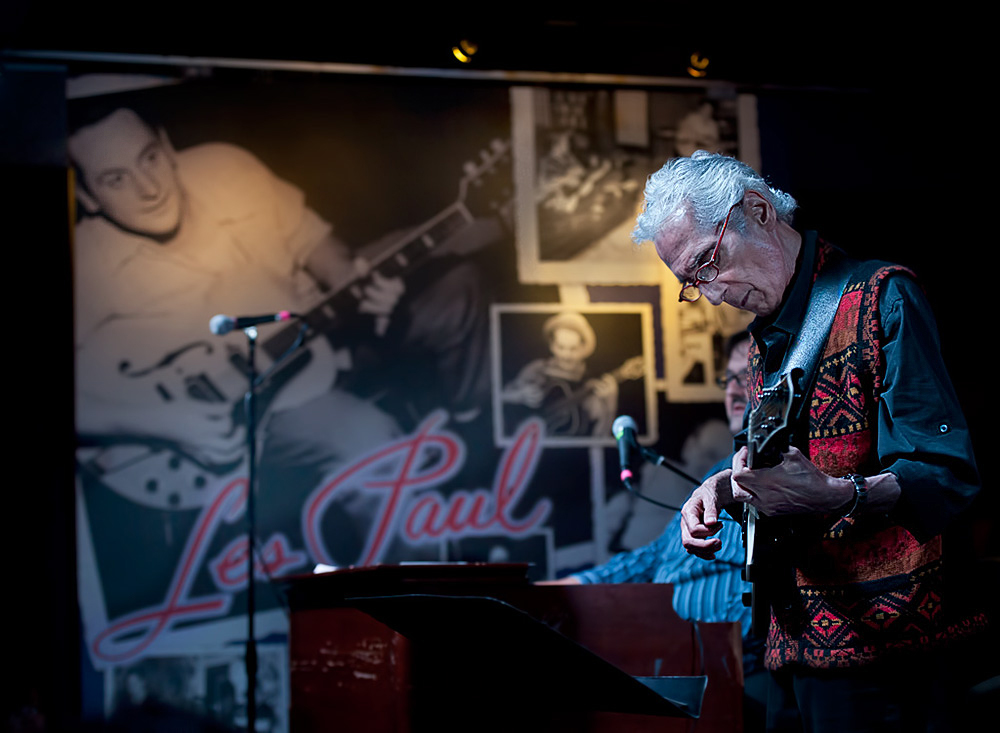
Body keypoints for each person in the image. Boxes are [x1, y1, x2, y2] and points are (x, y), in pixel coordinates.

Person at [632, 150, 985, 732]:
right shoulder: (769, 339)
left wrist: (837, 497)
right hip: (791, 644)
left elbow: (947, 472)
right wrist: (724, 484)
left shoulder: (881, 298)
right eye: (693, 284)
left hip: (888, 654)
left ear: (758, 210)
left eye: (708, 263)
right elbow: (781, 465)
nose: (713, 295)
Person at [69, 105, 494, 559]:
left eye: (149, 158)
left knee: (456, 284)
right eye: (115, 179)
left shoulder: (225, 167)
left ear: (168, 146)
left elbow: (313, 242)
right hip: (256, 413)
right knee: (377, 448)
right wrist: (169, 423)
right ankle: (415, 615)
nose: (148, 189)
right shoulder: (85, 261)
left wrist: (352, 280)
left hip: (319, 321)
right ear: (88, 198)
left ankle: (483, 450)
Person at [550, 330, 767, 731]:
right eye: (728, 379)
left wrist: (724, 654)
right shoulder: (712, 474)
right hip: (672, 659)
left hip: (732, 671)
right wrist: (571, 585)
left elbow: (769, 592)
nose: (734, 392)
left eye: (747, 377)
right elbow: (655, 557)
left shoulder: (781, 472)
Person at [501, 310, 620, 437]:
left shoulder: (592, 381)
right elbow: (499, 397)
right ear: (552, 345)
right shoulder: (538, 369)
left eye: (573, 349)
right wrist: (519, 395)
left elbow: (600, 437)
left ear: (584, 347)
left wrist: (610, 404)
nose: (566, 355)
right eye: (560, 347)